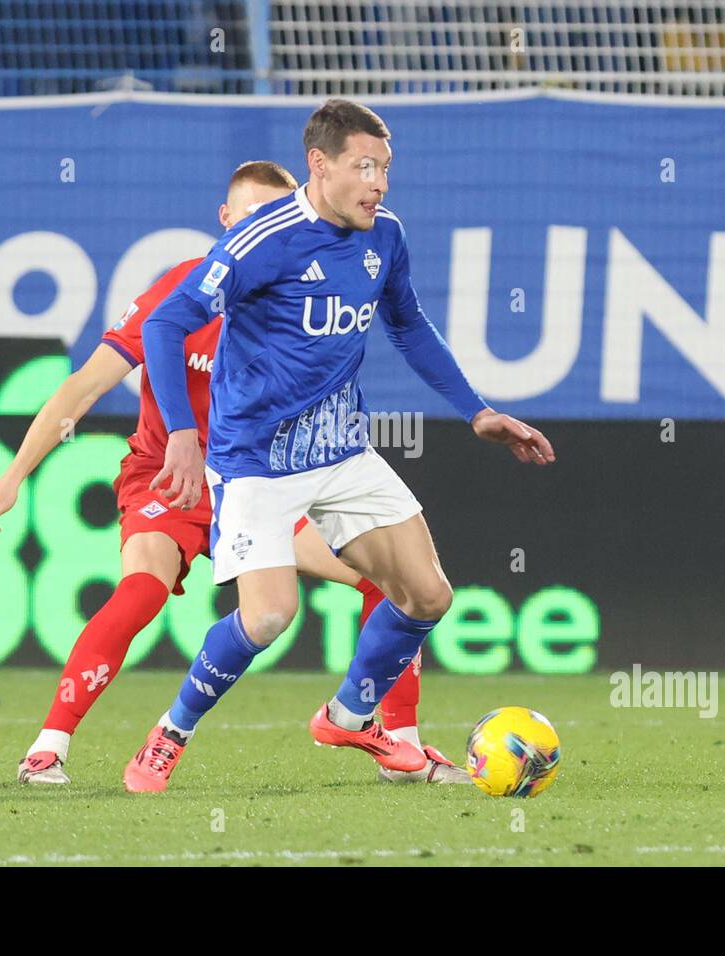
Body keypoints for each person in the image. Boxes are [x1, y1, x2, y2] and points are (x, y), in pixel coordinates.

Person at [0, 159, 468, 788]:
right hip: (170, 480)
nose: (266, 228)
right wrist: (13, 476)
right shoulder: (178, 294)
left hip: (261, 480)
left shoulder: (307, 288)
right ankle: (50, 745)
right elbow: (81, 388)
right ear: (225, 220)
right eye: (253, 215)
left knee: (388, 579)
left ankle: (399, 741)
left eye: (278, 215)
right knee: (142, 590)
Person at [130, 99, 554, 792]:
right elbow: (167, 323)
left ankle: (350, 715)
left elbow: (408, 325)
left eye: (385, 168)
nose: (379, 183)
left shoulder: (383, 235)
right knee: (268, 617)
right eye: (365, 166)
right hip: (255, 462)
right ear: (319, 166)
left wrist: (475, 411)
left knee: (427, 596)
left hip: (341, 451)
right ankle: (170, 733)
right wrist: (181, 433)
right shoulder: (262, 240)